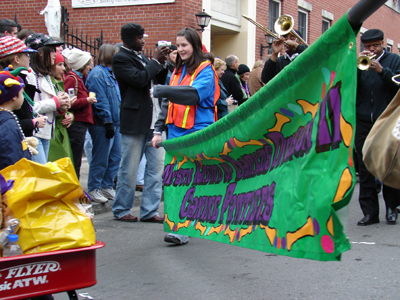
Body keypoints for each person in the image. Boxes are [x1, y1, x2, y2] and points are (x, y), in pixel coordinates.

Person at [152, 27, 220, 245]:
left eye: (184, 45)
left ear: (195, 46)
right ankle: (181, 226)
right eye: (178, 45)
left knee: (190, 180)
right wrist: (157, 130)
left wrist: (162, 89)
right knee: (176, 180)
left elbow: (193, 96)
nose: (180, 49)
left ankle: (184, 228)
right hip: (175, 133)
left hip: (197, 132)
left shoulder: (206, 70)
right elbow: (167, 104)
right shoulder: (177, 71)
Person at [111, 23, 168, 222]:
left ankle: (150, 211)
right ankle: (121, 209)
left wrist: (164, 63)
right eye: (140, 38)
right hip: (135, 121)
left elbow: (157, 79)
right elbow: (139, 79)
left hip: (154, 123)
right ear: (128, 39)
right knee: (129, 168)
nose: (143, 41)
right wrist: (154, 61)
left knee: (155, 169)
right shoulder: (120, 58)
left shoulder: (142, 58)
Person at [355, 29, 400, 226]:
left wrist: (382, 71)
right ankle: (370, 213)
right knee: (364, 167)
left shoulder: (394, 60)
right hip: (363, 119)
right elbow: (349, 88)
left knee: (387, 163)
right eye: (367, 47)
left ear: (383, 44)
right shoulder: (358, 63)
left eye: (375, 46)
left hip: (386, 119)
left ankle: (392, 208)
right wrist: (357, 69)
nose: (371, 50)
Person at [25, 33, 71, 164]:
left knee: (43, 173)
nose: (55, 55)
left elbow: (50, 105)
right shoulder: (29, 75)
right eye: (51, 51)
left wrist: (62, 107)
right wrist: (55, 102)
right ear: (40, 53)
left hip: (46, 133)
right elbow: (29, 107)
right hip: (34, 134)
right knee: (40, 175)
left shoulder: (45, 76)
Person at [85, 44, 121, 203]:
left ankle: (107, 185)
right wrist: (106, 120)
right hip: (103, 123)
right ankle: (94, 188)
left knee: (115, 156)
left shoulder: (111, 74)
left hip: (116, 122)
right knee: (101, 157)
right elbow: (99, 100)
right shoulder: (97, 75)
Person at [0, 36, 47, 137]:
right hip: (15, 138)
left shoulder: (20, 78)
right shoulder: (8, 84)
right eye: (26, 54)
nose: (29, 57)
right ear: (16, 59)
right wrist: (32, 122)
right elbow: (9, 119)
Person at [64, 48, 96, 179]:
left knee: (76, 155)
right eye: (87, 64)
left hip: (81, 123)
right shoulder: (72, 79)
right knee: (75, 156)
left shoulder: (80, 78)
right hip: (77, 123)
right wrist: (86, 100)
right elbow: (69, 101)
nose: (89, 67)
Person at [0, 69, 32, 169]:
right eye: (22, 93)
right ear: (14, 96)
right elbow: (12, 160)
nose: (23, 97)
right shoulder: (8, 124)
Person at [48, 52, 75, 163]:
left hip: (62, 131)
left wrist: (70, 116)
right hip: (51, 134)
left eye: (63, 65)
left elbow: (66, 110)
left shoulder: (58, 83)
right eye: (59, 65)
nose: (64, 68)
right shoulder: (46, 83)